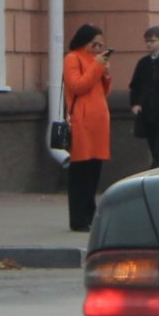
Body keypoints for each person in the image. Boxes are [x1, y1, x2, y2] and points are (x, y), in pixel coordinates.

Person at [63, 24, 112, 233]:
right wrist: (97, 67)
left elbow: (103, 91)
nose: (99, 47)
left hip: (98, 122)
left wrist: (106, 74)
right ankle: (78, 218)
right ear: (85, 41)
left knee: (94, 171)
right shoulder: (73, 58)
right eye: (96, 43)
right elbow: (78, 86)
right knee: (81, 172)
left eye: (101, 44)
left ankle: (90, 215)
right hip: (82, 122)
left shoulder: (96, 61)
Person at [128, 24, 159, 168]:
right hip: (147, 113)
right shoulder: (143, 64)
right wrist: (135, 104)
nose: (149, 44)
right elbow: (135, 86)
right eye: (147, 41)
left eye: (152, 41)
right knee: (154, 148)